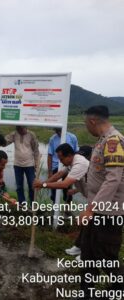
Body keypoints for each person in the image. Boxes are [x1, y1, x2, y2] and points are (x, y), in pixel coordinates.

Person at [79, 105, 124, 297]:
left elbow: (113, 179)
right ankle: (86, 293)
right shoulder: (102, 141)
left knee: (105, 256)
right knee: (87, 253)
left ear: (92, 121)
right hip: (97, 211)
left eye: (85, 122)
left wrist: (91, 209)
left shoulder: (114, 141)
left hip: (108, 213)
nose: (85, 126)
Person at [34, 144, 92, 261]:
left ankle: (87, 254)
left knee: (93, 225)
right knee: (87, 223)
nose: (60, 161)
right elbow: (59, 174)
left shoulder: (80, 163)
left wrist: (44, 184)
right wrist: (43, 184)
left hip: (100, 197)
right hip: (91, 196)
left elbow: (64, 184)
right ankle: (79, 247)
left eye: (61, 158)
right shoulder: (71, 162)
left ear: (69, 155)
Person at [5, 126, 39, 206]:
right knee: (19, 185)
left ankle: (32, 203)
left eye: (21, 129)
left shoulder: (31, 135)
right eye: (18, 129)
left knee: (32, 185)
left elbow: (36, 150)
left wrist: (36, 163)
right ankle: (22, 203)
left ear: (25, 127)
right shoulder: (14, 134)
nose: (20, 131)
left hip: (29, 164)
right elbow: (5, 143)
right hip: (17, 164)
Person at [47, 128, 79, 203]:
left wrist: (74, 167)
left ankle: (67, 209)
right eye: (56, 131)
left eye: (60, 131)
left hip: (68, 166)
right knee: (54, 189)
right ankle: (55, 209)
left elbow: (76, 152)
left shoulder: (72, 137)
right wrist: (49, 172)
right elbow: (50, 155)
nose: (58, 132)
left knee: (68, 189)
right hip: (56, 167)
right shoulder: (52, 139)